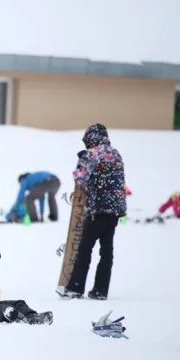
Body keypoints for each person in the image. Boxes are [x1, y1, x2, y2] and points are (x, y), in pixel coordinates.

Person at [57, 124, 126, 300]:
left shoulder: (92, 154)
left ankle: (75, 287)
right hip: (115, 210)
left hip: (98, 208)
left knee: (84, 248)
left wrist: (82, 160)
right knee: (106, 250)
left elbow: (80, 178)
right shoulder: (116, 153)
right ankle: (101, 290)